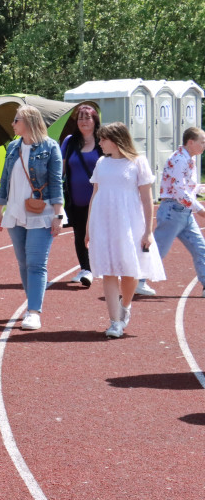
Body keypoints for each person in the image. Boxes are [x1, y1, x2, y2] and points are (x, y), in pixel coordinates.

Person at [85, 123, 165, 338]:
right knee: (109, 271)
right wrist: (88, 227)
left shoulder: (138, 162)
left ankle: (125, 306)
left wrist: (148, 231)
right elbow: (95, 195)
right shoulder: (102, 163)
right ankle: (114, 322)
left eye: (103, 139)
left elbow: (147, 199)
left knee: (130, 272)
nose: (99, 143)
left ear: (116, 140)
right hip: (104, 222)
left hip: (130, 223)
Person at [0, 106, 65, 331]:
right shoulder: (13, 147)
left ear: (29, 121)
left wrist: (58, 214)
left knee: (36, 263)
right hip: (15, 211)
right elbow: (4, 179)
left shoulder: (50, 147)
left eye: (16, 120)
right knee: (24, 262)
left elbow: (55, 182)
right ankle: (31, 304)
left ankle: (34, 311)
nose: (13, 124)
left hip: (41, 213)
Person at [139, 127, 205, 298]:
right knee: (158, 249)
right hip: (173, 212)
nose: (204, 145)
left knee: (200, 248)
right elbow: (177, 190)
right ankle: (138, 282)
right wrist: (200, 210)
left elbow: (185, 186)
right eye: (202, 141)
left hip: (183, 212)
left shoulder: (188, 159)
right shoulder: (179, 160)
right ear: (191, 142)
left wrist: (200, 188)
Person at [61, 103, 104, 288]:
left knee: (99, 233)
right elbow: (61, 169)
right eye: (80, 117)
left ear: (95, 121)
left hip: (100, 198)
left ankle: (101, 266)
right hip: (75, 198)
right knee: (79, 233)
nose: (83, 121)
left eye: (87, 117)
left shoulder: (103, 141)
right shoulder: (70, 142)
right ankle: (86, 269)